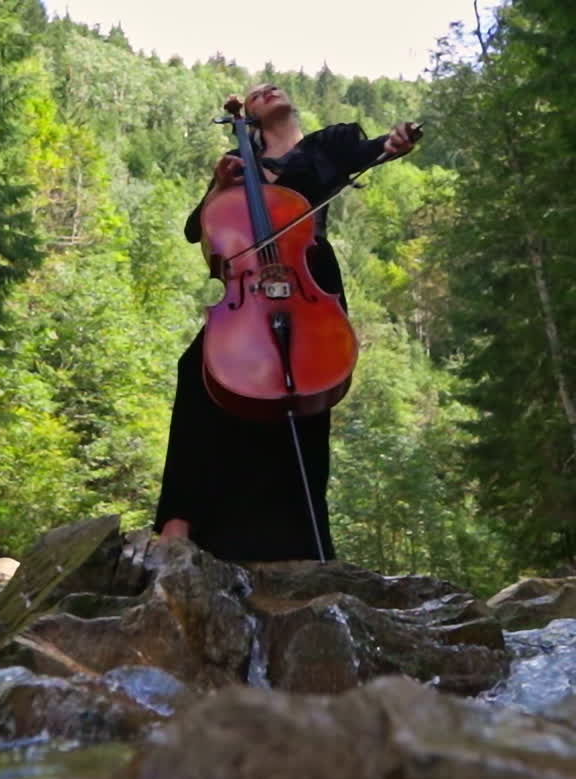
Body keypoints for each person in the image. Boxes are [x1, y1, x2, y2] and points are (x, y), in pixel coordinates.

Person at [153, 82, 416, 563]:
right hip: (249, 295)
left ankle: (305, 542)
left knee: (308, 397)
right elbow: (199, 230)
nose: (265, 90)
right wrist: (219, 184)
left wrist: (392, 143)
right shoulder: (240, 164)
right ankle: (179, 521)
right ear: (249, 118)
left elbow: (371, 150)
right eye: (255, 94)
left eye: (270, 87)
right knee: (197, 371)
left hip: (308, 281)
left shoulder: (328, 147)